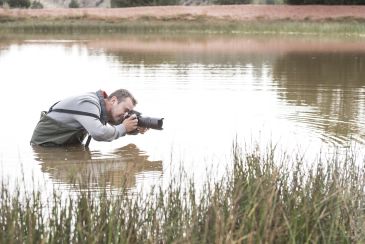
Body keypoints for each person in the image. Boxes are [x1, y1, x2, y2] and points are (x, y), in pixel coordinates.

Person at [30, 89, 148, 147]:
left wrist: (134, 128)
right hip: (45, 147)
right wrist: (124, 128)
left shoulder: (99, 107)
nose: (125, 115)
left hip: (61, 147)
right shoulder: (89, 104)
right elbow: (99, 132)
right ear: (113, 100)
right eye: (125, 110)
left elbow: (114, 125)